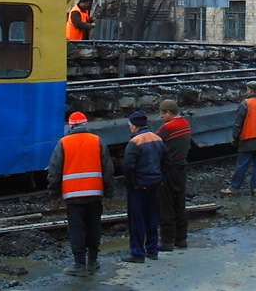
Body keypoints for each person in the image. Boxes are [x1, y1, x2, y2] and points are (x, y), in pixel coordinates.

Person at [47, 111, 115, 277]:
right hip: (94, 194)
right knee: (94, 227)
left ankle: (79, 265)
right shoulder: (96, 141)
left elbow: (54, 171)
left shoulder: (63, 143)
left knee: (76, 230)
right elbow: (108, 170)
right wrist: (109, 194)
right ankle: (92, 262)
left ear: (70, 126)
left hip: (73, 196)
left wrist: (53, 195)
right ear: (85, 124)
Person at [122, 109, 169, 263]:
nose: (129, 127)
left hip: (139, 186)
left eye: (130, 124)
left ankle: (137, 253)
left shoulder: (134, 142)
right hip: (154, 184)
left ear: (135, 126)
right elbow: (166, 161)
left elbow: (129, 167)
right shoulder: (157, 138)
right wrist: (160, 178)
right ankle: (153, 249)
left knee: (137, 219)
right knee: (152, 217)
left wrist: (132, 184)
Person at [221, 80, 256, 197]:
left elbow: (238, 123)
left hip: (248, 138)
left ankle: (234, 188)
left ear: (250, 90)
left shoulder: (245, 103)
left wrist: (235, 138)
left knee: (242, 165)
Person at [155, 99, 191, 251]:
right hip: (182, 167)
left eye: (162, 114)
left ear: (168, 113)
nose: (161, 117)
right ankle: (181, 239)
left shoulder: (167, 128)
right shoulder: (186, 124)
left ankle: (167, 241)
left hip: (169, 169)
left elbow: (155, 142)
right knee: (179, 203)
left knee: (166, 204)